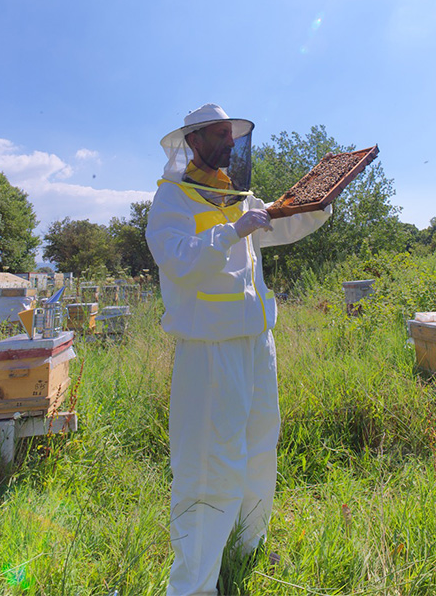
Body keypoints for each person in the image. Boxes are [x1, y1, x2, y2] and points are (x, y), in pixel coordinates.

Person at [144, 104, 329, 596]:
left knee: (260, 442)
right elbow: (180, 262)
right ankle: (192, 586)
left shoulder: (237, 192)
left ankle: (246, 548)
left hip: (256, 342)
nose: (229, 144)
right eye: (219, 136)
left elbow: (281, 223)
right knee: (209, 462)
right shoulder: (172, 200)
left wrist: (320, 203)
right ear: (194, 141)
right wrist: (232, 231)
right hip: (209, 348)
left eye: (233, 135)